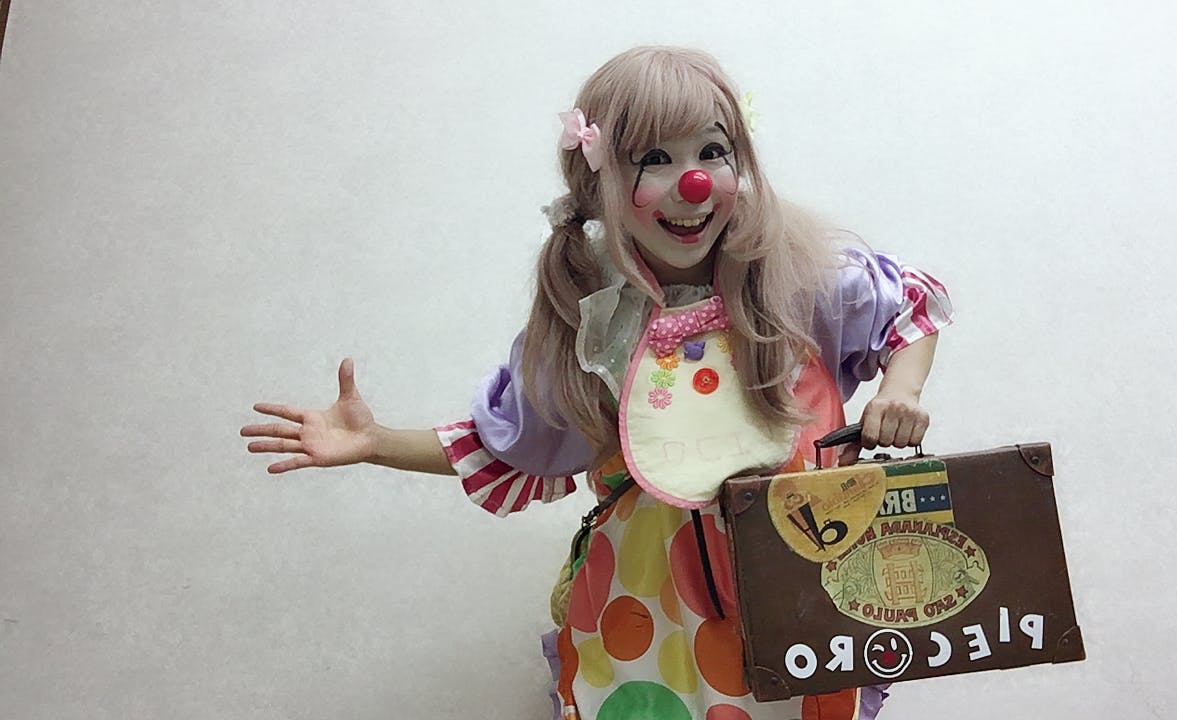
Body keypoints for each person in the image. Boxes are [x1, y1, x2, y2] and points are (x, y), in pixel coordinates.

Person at [242, 46, 953, 720]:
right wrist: (374, 442)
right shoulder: (595, 325)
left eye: (711, 152)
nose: (694, 183)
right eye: (655, 159)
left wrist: (901, 393)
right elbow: (509, 445)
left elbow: (909, 314)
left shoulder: (798, 281)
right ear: (600, 178)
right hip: (652, 598)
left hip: (798, 572)